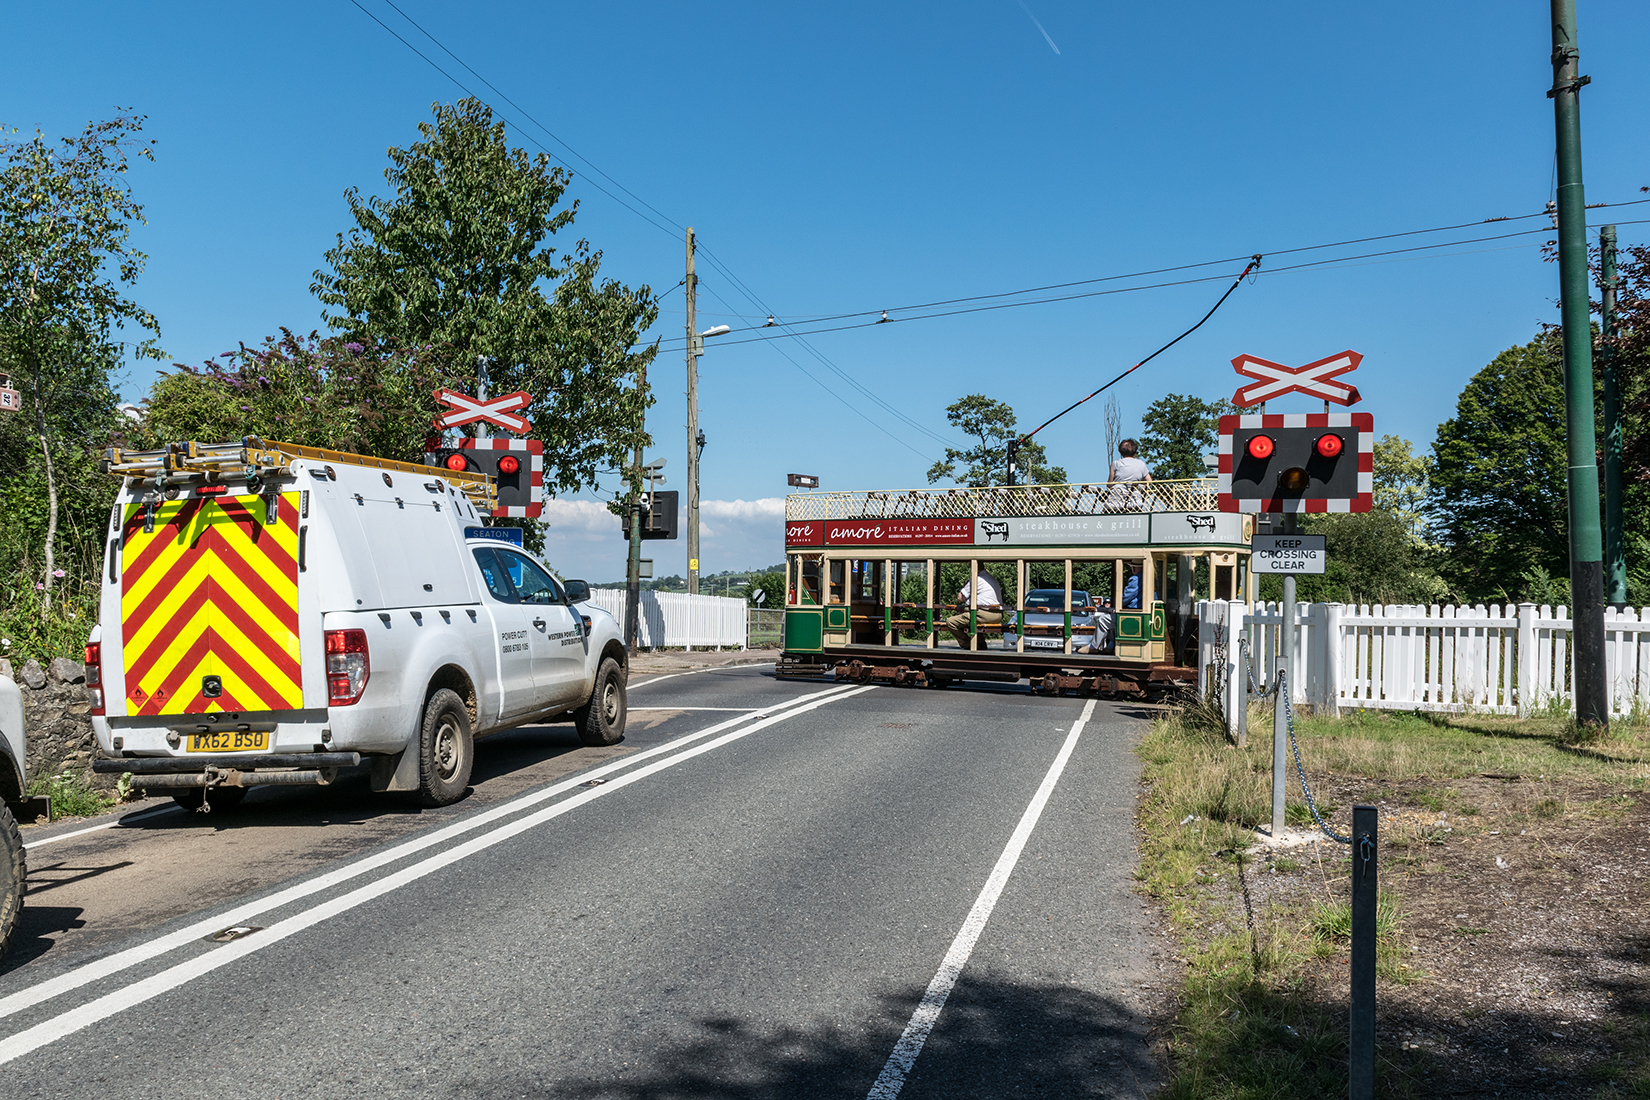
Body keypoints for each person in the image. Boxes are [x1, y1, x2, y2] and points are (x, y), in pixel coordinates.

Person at [944, 567, 1005, 649]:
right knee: (973, 619)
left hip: (983, 614)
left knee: (951, 622)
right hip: (997, 615)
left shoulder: (977, 579)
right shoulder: (992, 578)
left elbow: (960, 598)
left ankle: (968, 644)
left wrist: (965, 587)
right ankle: (980, 643)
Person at [1106, 439, 1152, 509]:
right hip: (1135, 501)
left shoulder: (1116, 464)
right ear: (1135, 451)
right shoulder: (1141, 464)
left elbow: (1109, 484)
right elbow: (1149, 482)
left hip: (1116, 501)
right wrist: (1138, 485)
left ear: (1120, 452)